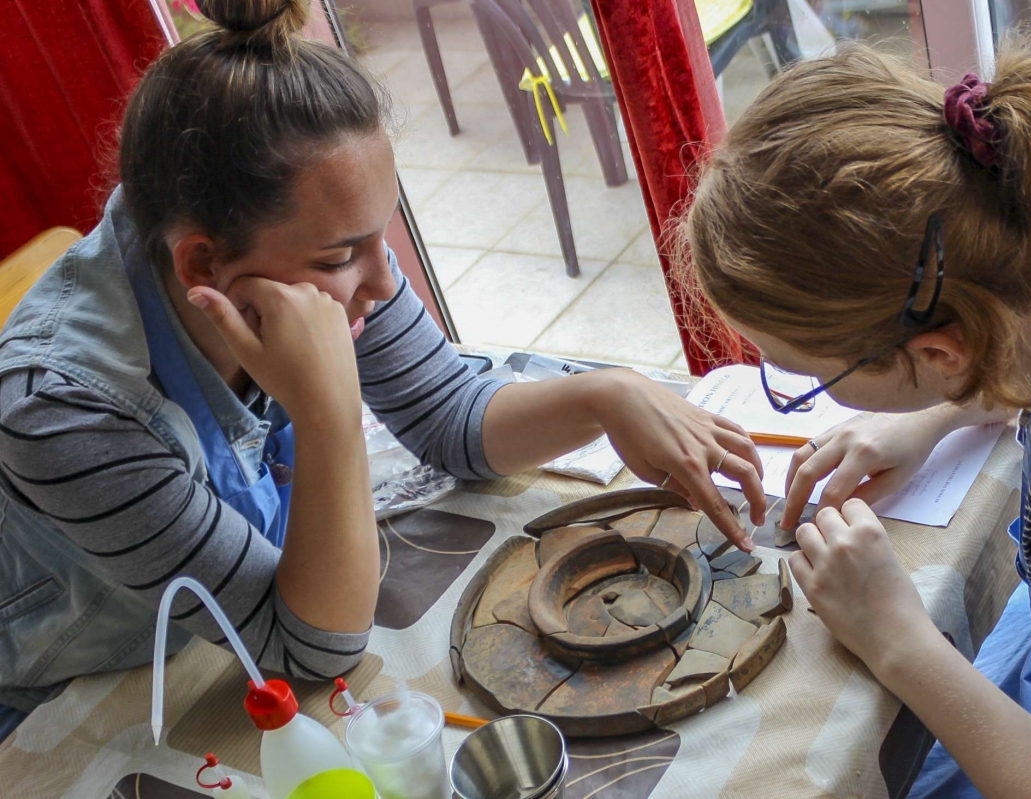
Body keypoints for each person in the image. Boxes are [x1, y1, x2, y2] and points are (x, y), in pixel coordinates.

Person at [0, 0, 767, 739]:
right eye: (341, 256)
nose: (380, 279)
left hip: (216, 627)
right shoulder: (65, 409)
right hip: (77, 688)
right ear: (203, 260)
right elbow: (311, 649)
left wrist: (607, 395)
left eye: (380, 235)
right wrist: (330, 415)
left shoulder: (285, 251)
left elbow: (451, 420)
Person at [681, 38, 1031, 799]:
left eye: (813, 376)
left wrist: (896, 637)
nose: (809, 388)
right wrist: (933, 416)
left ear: (940, 350)